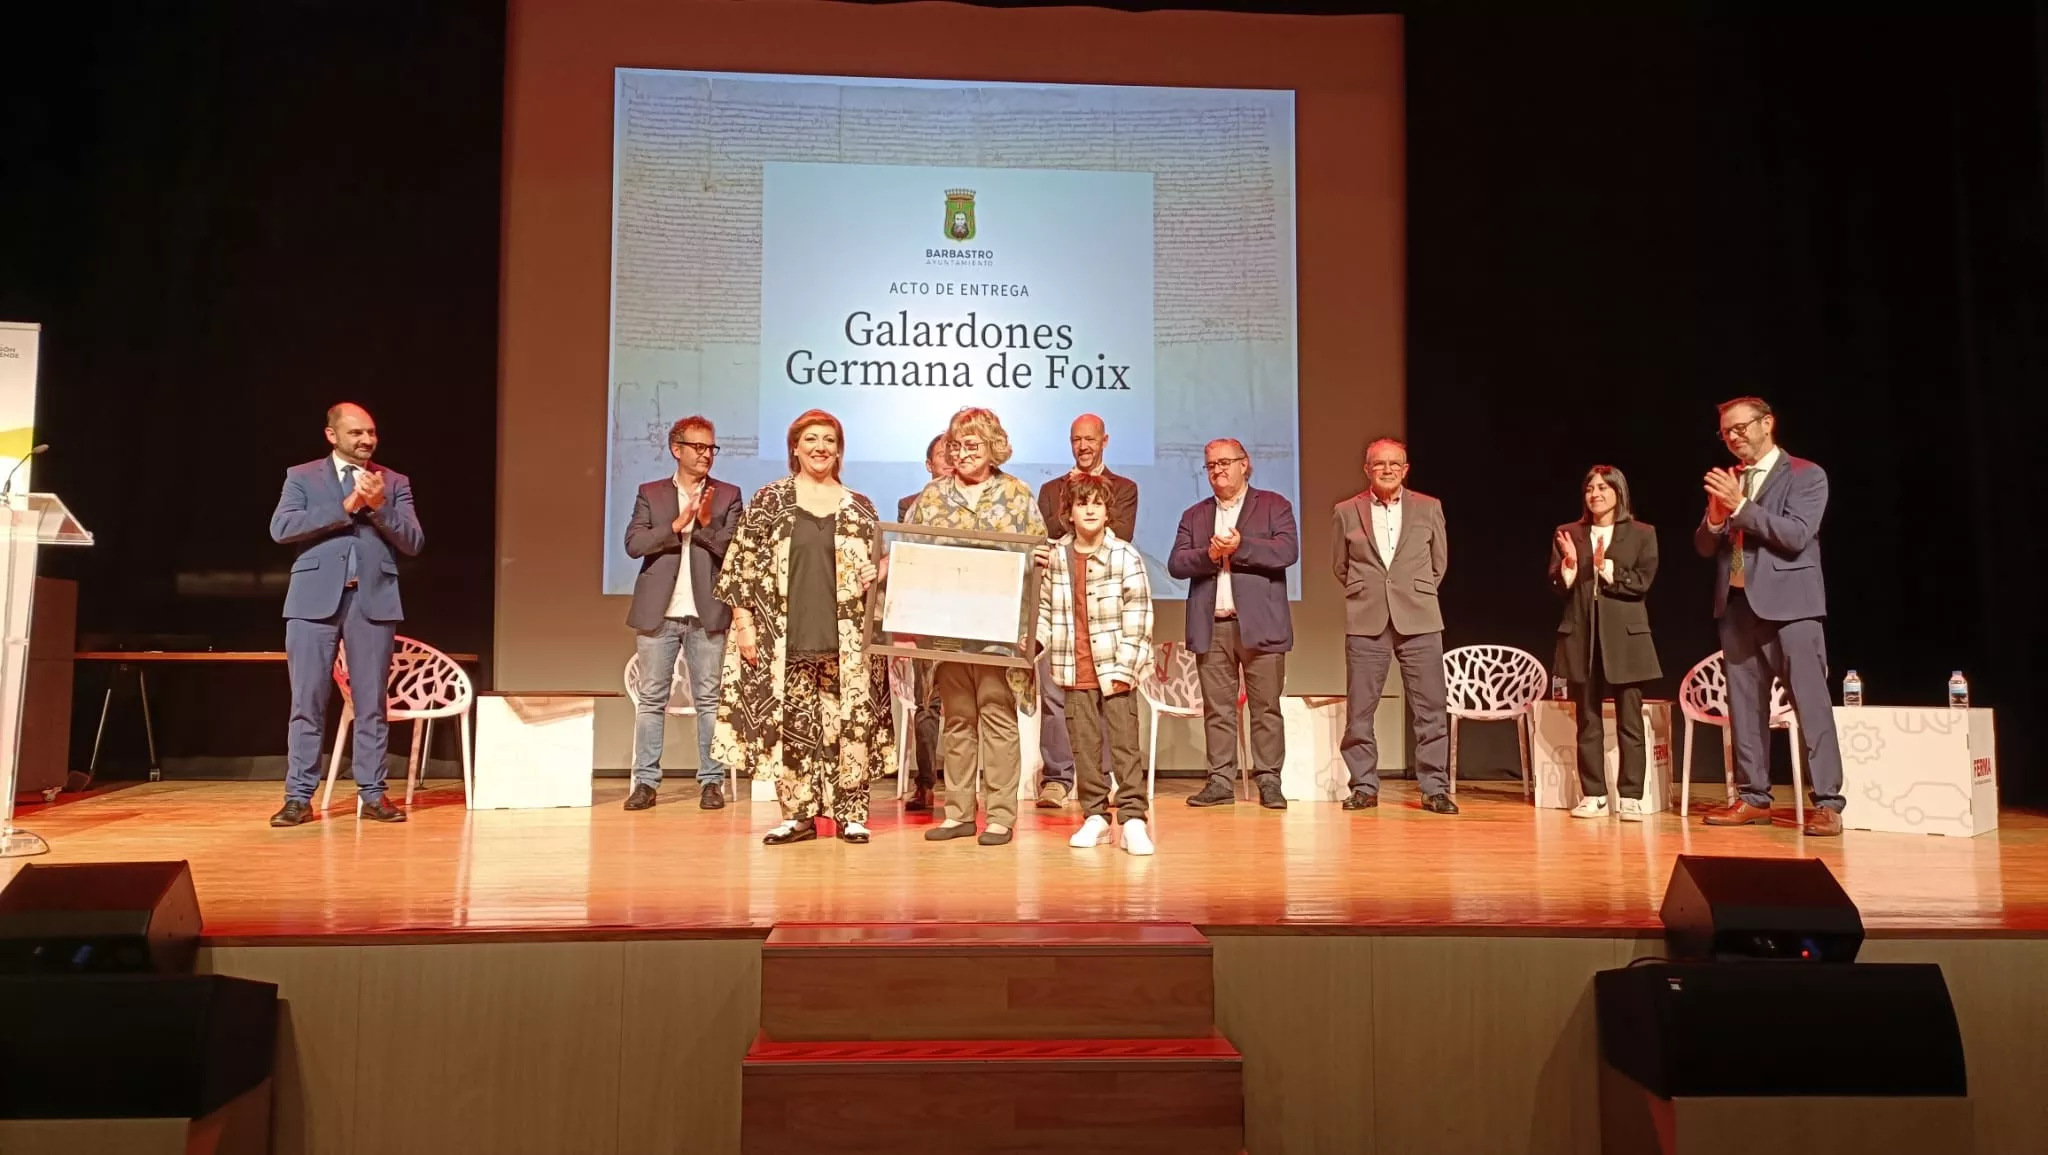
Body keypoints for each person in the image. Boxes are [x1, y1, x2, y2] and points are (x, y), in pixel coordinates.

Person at [712, 409, 893, 845]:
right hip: (783, 637)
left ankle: (850, 814)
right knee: (791, 726)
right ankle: (798, 815)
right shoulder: (770, 500)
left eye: (829, 440)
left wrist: (880, 571)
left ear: (839, 449)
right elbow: (742, 567)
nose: (820, 447)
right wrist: (744, 625)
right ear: (795, 447)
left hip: (846, 638)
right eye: (811, 439)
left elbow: (877, 568)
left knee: (847, 723)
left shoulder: (861, 507)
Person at [267, 402, 424, 827]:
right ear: (332, 435)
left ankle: (373, 794)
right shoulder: (301, 477)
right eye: (356, 433)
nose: (367, 440)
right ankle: (299, 797)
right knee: (307, 702)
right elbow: (282, 529)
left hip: (372, 600)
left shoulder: (394, 482)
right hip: (312, 602)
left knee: (371, 703)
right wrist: (347, 506)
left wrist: (377, 507)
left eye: (371, 432)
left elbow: (413, 540)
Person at [1694, 397, 1844, 836]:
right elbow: (1705, 546)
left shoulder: (1805, 474)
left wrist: (1741, 508)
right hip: (1738, 606)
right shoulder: (1731, 480)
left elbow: (1797, 535)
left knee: (1810, 704)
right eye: (1727, 432)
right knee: (1744, 707)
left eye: (1741, 428)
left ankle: (1829, 802)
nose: (1734, 438)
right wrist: (1718, 519)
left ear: (1768, 423)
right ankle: (1753, 797)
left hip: (1792, 607)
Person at [904, 406, 1048, 846]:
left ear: (993, 449)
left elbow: (1038, 551)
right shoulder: (931, 496)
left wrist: (1040, 559)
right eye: (957, 446)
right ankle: (959, 813)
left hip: (999, 628)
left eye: (973, 446)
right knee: (958, 719)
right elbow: (911, 549)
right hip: (947, 626)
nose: (963, 454)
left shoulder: (1017, 494)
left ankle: (1001, 815)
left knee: (996, 714)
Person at [622, 416, 743, 811]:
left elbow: (735, 549)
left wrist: (703, 525)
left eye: (711, 448)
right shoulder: (651, 493)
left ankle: (712, 781)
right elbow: (635, 544)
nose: (706, 454)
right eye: (698, 447)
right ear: (677, 449)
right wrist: (675, 526)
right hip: (660, 611)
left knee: (709, 700)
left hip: (706, 610)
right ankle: (645, 783)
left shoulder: (727, 495)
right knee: (651, 699)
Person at [1169, 438, 1297, 810]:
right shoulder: (1194, 515)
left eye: (1225, 462)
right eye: (1210, 465)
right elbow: (1177, 564)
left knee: (1266, 708)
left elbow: (1287, 551)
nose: (1218, 470)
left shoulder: (1273, 505)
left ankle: (1269, 780)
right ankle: (1220, 780)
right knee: (1218, 709)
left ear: (1246, 465)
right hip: (1214, 625)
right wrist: (1210, 554)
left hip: (1262, 624)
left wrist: (1240, 547)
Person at [1331, 438, 1456, 814]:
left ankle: (1434, 788)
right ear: (1367, 469)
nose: (1387, 469)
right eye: (1378, 464)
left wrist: (1411, 593)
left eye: (1394, 464)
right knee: (1360, 710)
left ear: (1405, 469)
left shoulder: (1429, 507)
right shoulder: (1346, 511)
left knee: (1430, 708)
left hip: (1419, 617)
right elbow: (1340, 565)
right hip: (1366, 617)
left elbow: (1439, 564)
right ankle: (1364, 786)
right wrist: (1371, 592)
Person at [1037, 475, 1155, 855]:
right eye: (1081, 503)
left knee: (1123, 745)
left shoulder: (1124, 556)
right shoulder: (1056, 557)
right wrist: (1033, 642)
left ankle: (1134, 818)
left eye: (1097, 504)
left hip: (1116, 667)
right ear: (1068, 513)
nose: (1089, 509)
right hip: (1073, 668)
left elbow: (1139, 614)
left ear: (1107, 512)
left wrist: (1126, 667)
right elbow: (1045, 611)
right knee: (1084, 746)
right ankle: (1097, 817)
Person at [1033, 414, 1141, 809]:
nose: (1083, 446)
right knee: (1055, 698)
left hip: (1106, 609)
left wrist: (1068, 531)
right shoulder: (1049, 490)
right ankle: (1057, 778)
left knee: (1108, 699)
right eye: (1076, 439)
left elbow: (1121, 534)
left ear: (1104, 441)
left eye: (1090, 439)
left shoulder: (1124, 488)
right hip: (1062, 603)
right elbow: (1041, 537)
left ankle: (1107, 780)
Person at [1549, 465, 1662, 820]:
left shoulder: (1642, 534)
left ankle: (1630, 796)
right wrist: (1569, 565)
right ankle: (1593, 794)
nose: (1595, 493)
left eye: (1603, 487)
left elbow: (1642, 582)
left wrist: (1607, 569)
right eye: (1589, 488)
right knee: (1588, 720)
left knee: (1630, 719)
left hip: (1626, 638)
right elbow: (1556, 584)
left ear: (1618, 492)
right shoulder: (1569, 533)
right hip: (1582, 636)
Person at [895, 434, 952, 812]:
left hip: (971, 616)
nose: (950, 461)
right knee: (927, 704)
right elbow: (909, 555)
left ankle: (972, 789)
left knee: (972, 705)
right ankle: (926, 783)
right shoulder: (909, 505)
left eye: (955, 454)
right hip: (928, 616)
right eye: (942, 457)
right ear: (929, 464)